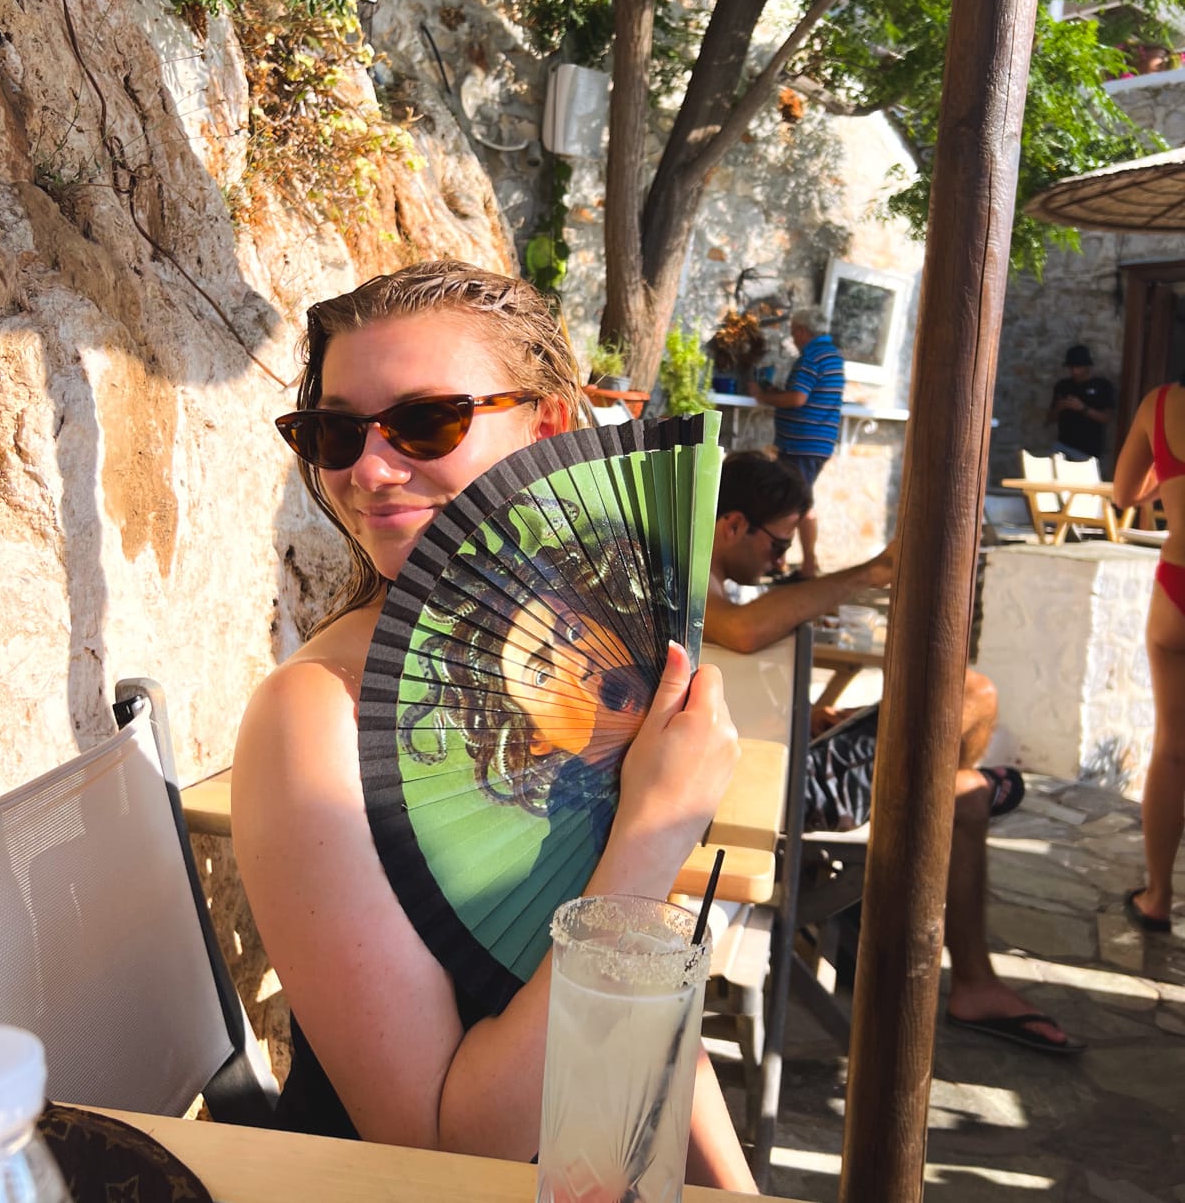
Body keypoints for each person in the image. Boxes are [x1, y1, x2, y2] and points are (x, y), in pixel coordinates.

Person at [232, 262, 754, 1188]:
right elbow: (441, 1151)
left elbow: (640, 998)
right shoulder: (314, 718)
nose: (369, 470)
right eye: (334, 432)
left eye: (427, 421)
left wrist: (739, 1189)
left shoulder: (589, 668)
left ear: (546, 426)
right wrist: (651, 835)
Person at [704, 452, 1084, 1054]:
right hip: (771, 788)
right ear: (732, 525)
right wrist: (873, 571)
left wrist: (807, 715)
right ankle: (959, 950)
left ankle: (944, 887)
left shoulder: (715, 579)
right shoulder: (690, 575)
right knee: (970, 716)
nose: (780, 562)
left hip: (786, 758)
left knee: (962, 754)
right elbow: (743, 631)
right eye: (779, 546)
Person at [1113, 376, 1185, 934]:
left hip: (1179, 583)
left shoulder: (1161, 404)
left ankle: (1157, 895)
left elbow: (1125, 494)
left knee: (1172, 748)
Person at [750, 306, 844, 578]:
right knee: (795, 501)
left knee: (797, 504)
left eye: (793, 332)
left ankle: (805, 566)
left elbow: (798, 398)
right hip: (817, 442)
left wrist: (763, 396)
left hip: (802, 444)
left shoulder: (811, 356)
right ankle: (786, 562)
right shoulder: (832, 355)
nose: (792, 338)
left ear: (803, 331)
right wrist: (779, 393)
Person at [1047, 344, 1114, 462]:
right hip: (1063, 445)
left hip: (1088, 449)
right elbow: (1050, 419)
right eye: (1071, 367)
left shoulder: (1102, 386)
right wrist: (1060, 406)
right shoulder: (1063, 385)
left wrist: (1082, 408)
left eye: (1078, 367)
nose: (1074, 371)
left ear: (1087, 366)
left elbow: (1107, 418)